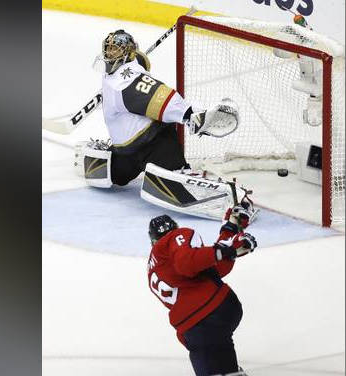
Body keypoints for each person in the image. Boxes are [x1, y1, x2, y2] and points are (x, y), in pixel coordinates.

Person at [76, 29, 239, 188]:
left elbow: (159, 97)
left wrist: (190, 115)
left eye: (116, 50)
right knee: (115, 177)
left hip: (154, 144)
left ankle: (178, 171)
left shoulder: (123, 82)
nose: (110, 54)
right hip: (126, 152)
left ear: (128, 54)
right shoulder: (121, 79)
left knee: (172, 182)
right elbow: (142, 64)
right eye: (109, 49)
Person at [146, 203, 257, 376]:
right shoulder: (177, 237)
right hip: (215, 312)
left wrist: (228, 235)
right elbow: (204, 264)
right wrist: (227, 246)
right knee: (227, 368)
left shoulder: (155, 267)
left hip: (197, 326)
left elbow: (200, 263)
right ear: (175, 228)